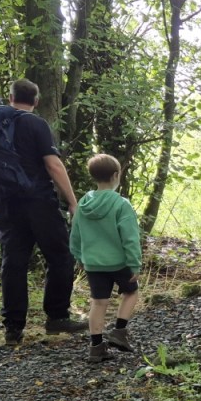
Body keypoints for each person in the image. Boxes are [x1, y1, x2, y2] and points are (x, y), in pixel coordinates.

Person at [0, 79, 87, 345]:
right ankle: (57, 317)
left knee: (13, 262)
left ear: (10, 97)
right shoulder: (35, 123)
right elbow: (53, 165)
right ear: (36, 101)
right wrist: (72, 201)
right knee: (60, 256)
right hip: (38, 202)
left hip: (5, 203)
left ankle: (13, 327)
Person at [69, 154, 142, 363]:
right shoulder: (121, 204)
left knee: (98, 303)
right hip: (119, 262)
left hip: (93, 263)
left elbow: (75, 233)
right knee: (131, 292)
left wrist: (79, 256)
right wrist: (135, 262)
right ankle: (119, 331)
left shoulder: (83, 203)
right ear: (116, 175)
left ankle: (96, 348)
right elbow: (130, 237)